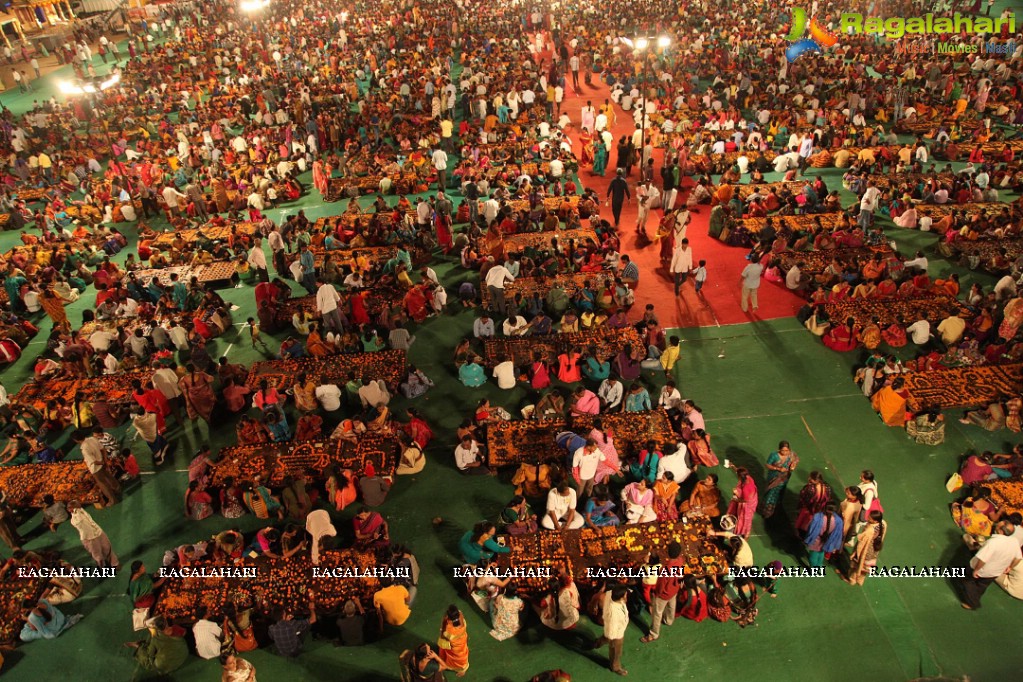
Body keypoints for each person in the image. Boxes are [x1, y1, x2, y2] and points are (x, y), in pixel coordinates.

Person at [959, 521, 1022, 610]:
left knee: (967, 580)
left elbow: (983, 559)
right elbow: (1018, 558)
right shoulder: (1014, 541)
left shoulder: (993, 542)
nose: (996, 525)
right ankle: (975, 596)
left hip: (983, 569)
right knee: (982, 585)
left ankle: (972, 603)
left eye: (998, 525)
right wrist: (1010, 567)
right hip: (995, 572)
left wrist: (976, 570)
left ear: (1001, 531)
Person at [642, 541, 684, 643]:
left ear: (668, 553)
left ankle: (654, 634)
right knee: (671, 606)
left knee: (657, 613)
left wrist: (657, 594)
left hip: (663, 594)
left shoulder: (666, 569)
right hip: (674, 590)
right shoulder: (680, 561)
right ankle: (669, 620)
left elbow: (661, 585)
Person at [590, 585, 629, 676]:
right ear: (621, 597)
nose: (627, 596)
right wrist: (613, 639)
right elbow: (612, 632)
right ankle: (615, 667)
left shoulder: (610, 594)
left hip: (612, 629)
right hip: (616, 634)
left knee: (605, 638)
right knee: (616, 651)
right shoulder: (614, 613)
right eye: (626, 595)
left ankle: (596, 643)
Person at [841, 511, 887, 585]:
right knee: (866, 566)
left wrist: (855, 553)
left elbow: (861, 545)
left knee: (857, 565)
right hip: (874, 550)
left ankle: (852, 580)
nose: (868, 517)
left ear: (874, 521)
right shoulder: (883, 524)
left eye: (870, 518)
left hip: (866, 549)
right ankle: (860, 581)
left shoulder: (870, 530)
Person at [69, 502, 118, 568]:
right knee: (98, 556)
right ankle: (103, 568)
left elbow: (76, 504)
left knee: (108, 548)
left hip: (99, 532)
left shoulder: (81, 510)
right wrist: (75, 509)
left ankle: (114, 563)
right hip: (89, 539)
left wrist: (77, 506)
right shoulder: (74, 520)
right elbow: (80, 521)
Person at [268, 592, 317, 657]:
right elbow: (313, 620)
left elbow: (272, 637)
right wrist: (312, 609)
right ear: (284, 615)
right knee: (306, 626)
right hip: (294, 652)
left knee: (291, 631)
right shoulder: (292, 624)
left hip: (282, 652)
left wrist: (286, 621)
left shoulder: (271, 628)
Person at [761, 441, 798, 518]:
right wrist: (777, 468)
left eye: (786, 450)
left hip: (784, 478)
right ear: (779, 450)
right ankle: (767, 509)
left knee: (780, 491)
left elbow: (795, 460)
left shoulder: (791, 455)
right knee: (771, 492)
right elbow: (767, 465)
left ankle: (776, 504)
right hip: (774, 477)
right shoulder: (774, 455)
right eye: (783, 450)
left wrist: (793, 465)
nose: (785, 452)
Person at [803, 502, 844, 568]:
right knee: (821, 553)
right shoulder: (838, 521)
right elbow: (838, 535)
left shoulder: (818, 517)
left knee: (814, 554)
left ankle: (813, 567)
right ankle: (819, 565)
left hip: (816, 540)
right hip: (827, 540)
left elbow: (811, 529)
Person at [437, 605, 470, 676]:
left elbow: (443, 635)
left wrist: (443, 621)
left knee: (456, 658)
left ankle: (462, 670)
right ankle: (462, 669)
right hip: (462, 640)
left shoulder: (449, 629)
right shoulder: (460, 615)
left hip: (454, 647)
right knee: (462, 655)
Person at [726, 465, 758, 538]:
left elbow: (745, 500)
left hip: (747, 504)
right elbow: (739, 471)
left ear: (740, 477)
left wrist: (736, 499)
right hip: (750, 498)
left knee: (745, 521)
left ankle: (744, 535)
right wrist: (733, 466)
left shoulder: (746, 488)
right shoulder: (747, 477)